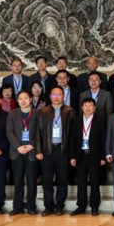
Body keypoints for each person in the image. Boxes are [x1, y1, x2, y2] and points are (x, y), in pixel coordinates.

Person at [36, 86, 75, 216]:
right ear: (50, 97)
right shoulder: (43, 111)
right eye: (54, 95)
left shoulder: (69, 111)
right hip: (47, 150)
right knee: (47, 180)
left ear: (63, 96)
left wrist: (71, 153)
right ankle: (48, 206)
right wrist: (38, 150)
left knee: (62, 179)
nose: (56, 97)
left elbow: (73, 134)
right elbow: (38, 132)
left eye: (59, 95)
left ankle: (59, 205)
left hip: (62, 150)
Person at [69, 98, 106, 216]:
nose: (88, 108)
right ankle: (81, 206)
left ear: (94, 108)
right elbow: (72, 140)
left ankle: (94, 206)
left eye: (90, 105)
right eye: (85, 105)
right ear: (82, 107)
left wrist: (103, 157)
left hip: (94, 155)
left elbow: (104, 140)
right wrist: (72, 156)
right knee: (81, 182)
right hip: (80, 155)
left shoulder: (100, 121)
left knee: (95, 182)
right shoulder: (76, 121)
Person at [6, 90, 39, 215]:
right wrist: (18, 147)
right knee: (18, 180)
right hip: (17, 152)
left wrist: (31, 145)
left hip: (32, 151)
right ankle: (17, 206)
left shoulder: (37, 113)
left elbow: (40, 132)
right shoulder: (12, 113)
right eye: (20, 98)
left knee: (31, 181)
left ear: (30, 99)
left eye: (26, 98)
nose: (23, 101)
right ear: (17, 100)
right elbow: (9, 132)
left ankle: (31, 206)